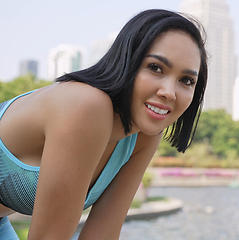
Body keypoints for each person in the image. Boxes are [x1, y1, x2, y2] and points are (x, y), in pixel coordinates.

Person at [0, 9, 207, 239]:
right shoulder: (85, 106)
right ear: (128, 60)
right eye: (155, 67)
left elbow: (103, 233)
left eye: (186, 80)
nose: (169, 93)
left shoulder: (145, 134)